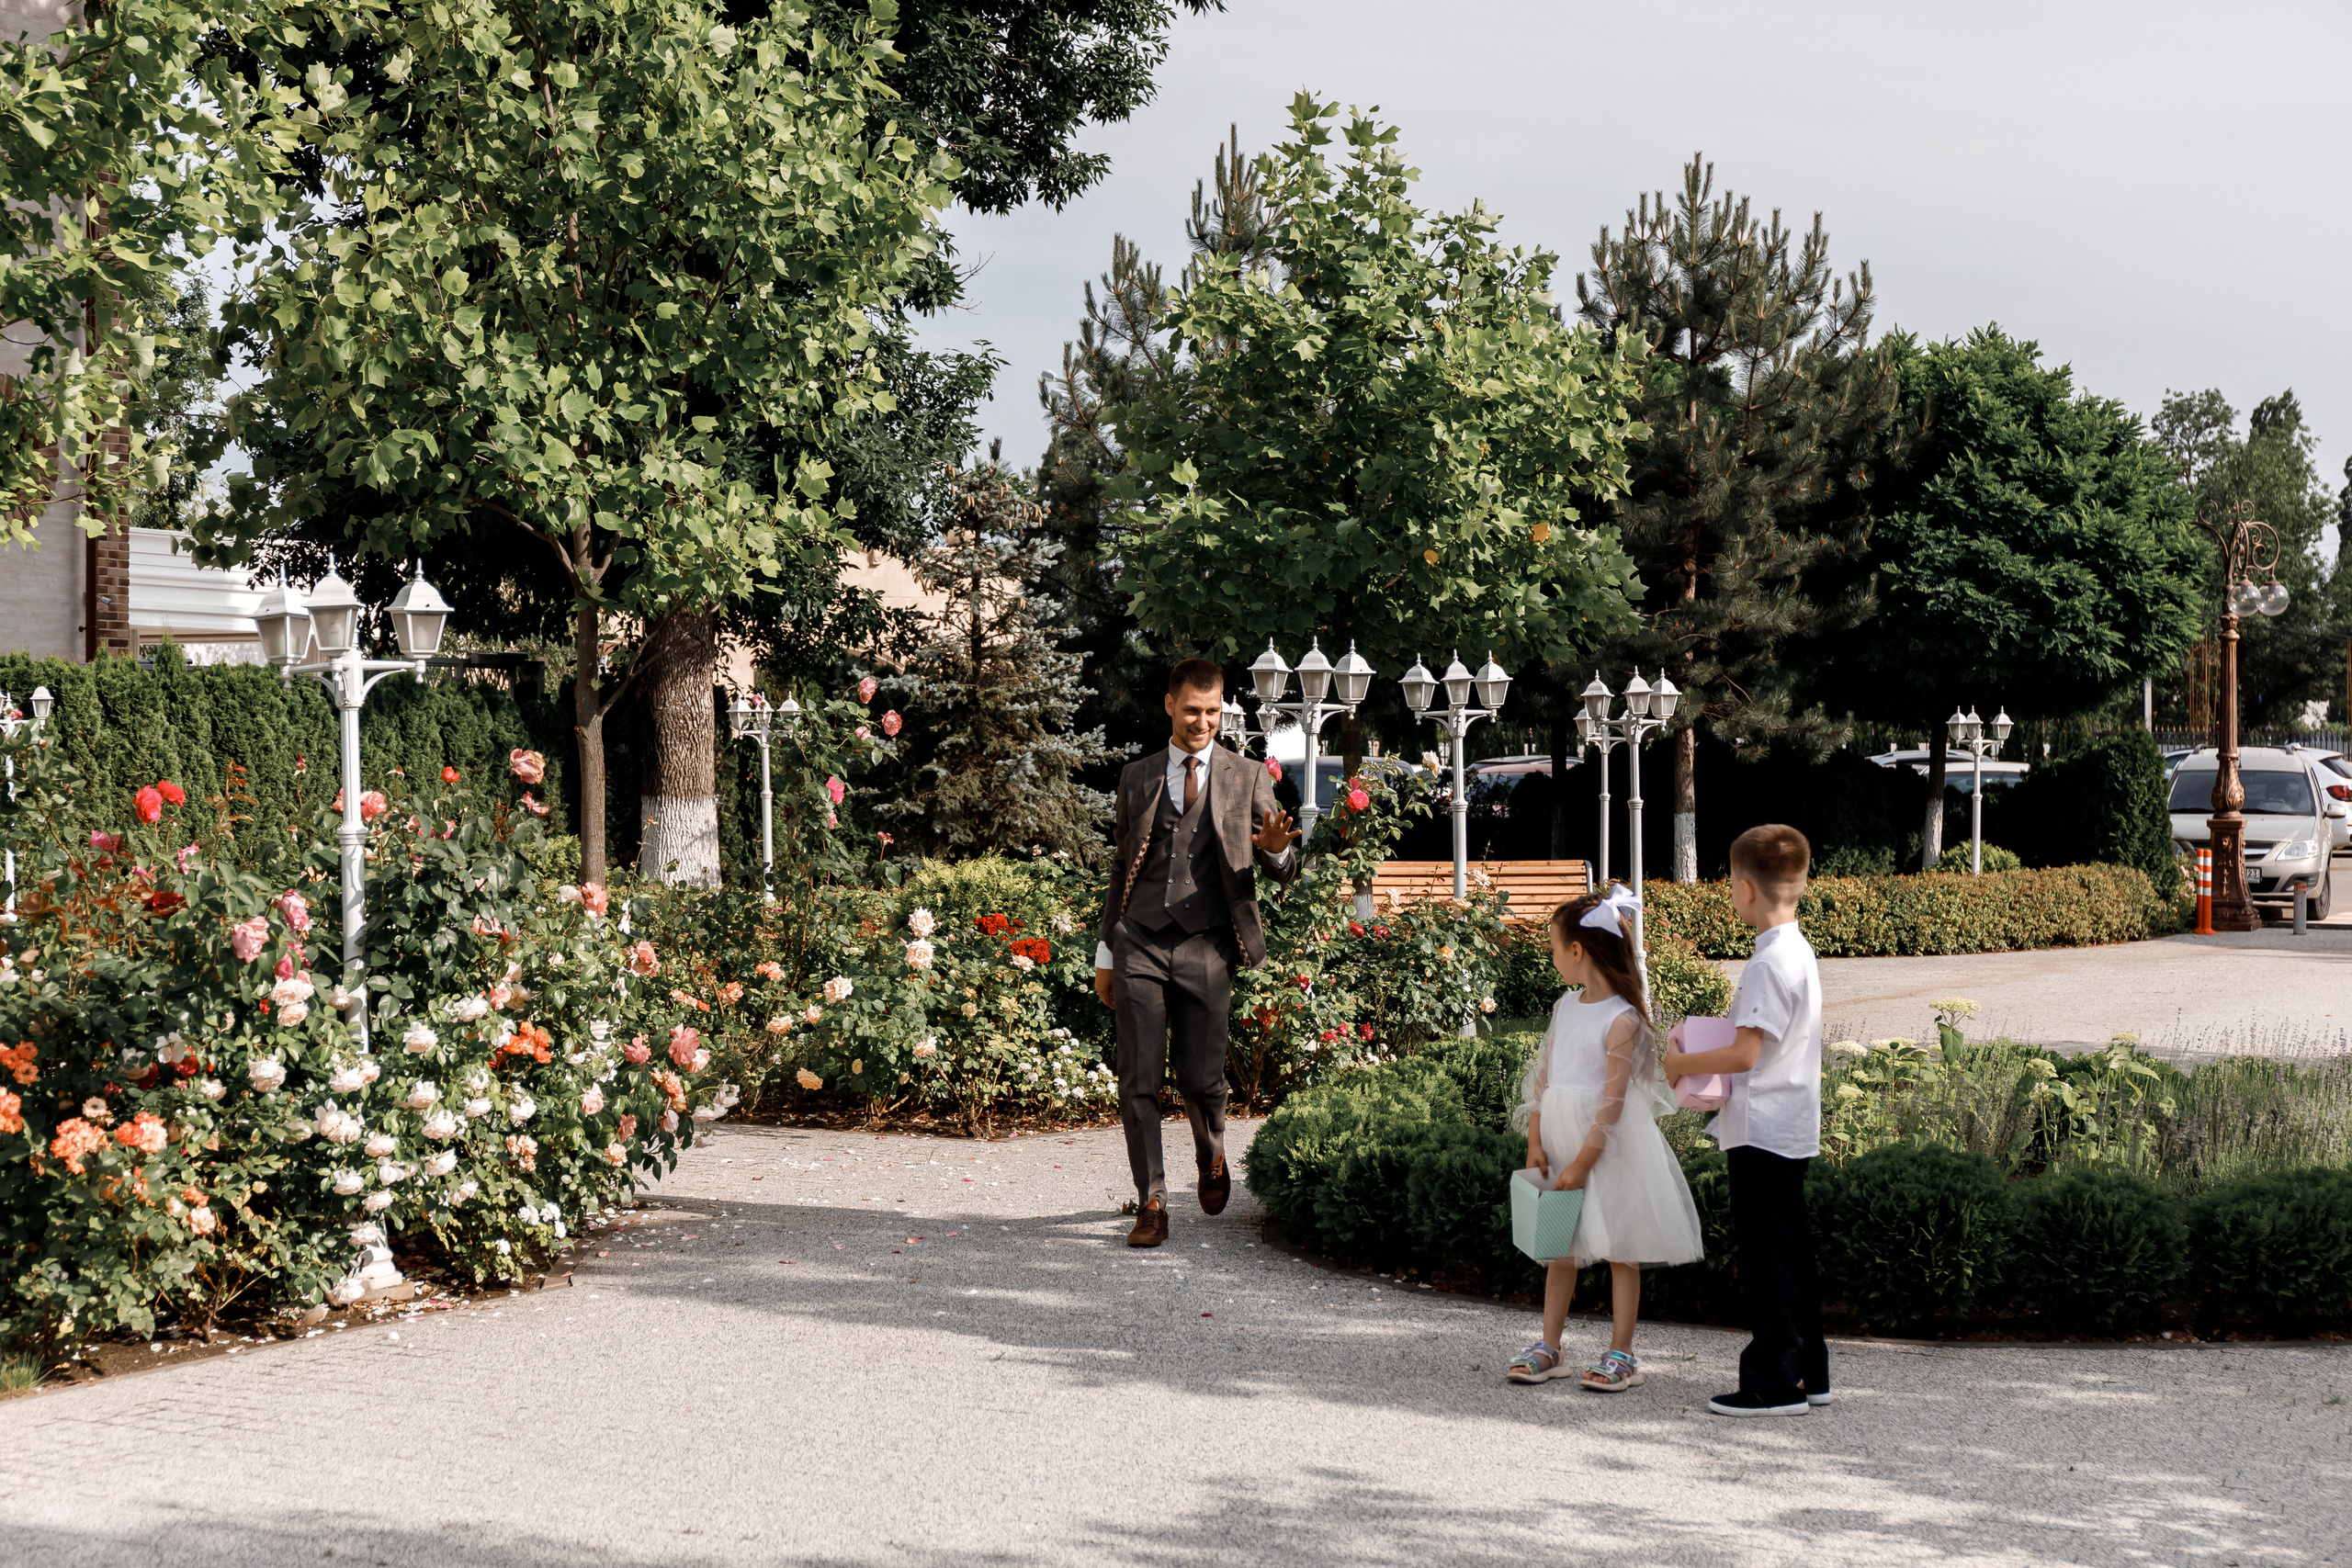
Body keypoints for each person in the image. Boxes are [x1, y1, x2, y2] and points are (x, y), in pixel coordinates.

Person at [1094, 659, 1300, 1247]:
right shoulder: (1137, 777)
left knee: (1204, 1078)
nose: (1202, 722)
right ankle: (1152, 1200)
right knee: (1138, 1078)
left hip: (1208, 943)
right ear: (1169, 706)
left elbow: (1279, 864)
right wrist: (1108, 953)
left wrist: (1279, 852)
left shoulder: (1246, 775)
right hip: (1140, 940)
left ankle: (1212, 1153)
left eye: (1212, 712)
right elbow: (1119, 871)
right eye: (1192, 711)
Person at [1505, 885, 1703, 1390]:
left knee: (1621, 1246)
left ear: (1578, 951)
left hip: (1607, 1150)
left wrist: (1585, 1161)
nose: (1552, 958)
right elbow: (1543, 1079)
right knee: (1560, 1247)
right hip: (1559, 1141)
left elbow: (1612, 1103)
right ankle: (1550, 1345)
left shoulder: (1622, 1018)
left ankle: (1623, 1352)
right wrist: (1535, 1139)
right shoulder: (1565, 1006)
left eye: (1554, 949)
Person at [1664, 823, 1826, 1417]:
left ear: (1746, 889)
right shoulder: (1799, 950)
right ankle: (1811, 1370)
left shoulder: (1765, 963)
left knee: (1768, 1259)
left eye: (1729, 884)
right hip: (1790, 1123)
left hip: (1761, 1128)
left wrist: (1681, 1060)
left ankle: (1773, 1381)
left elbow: (1745, 1053)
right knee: (1791, 1253)